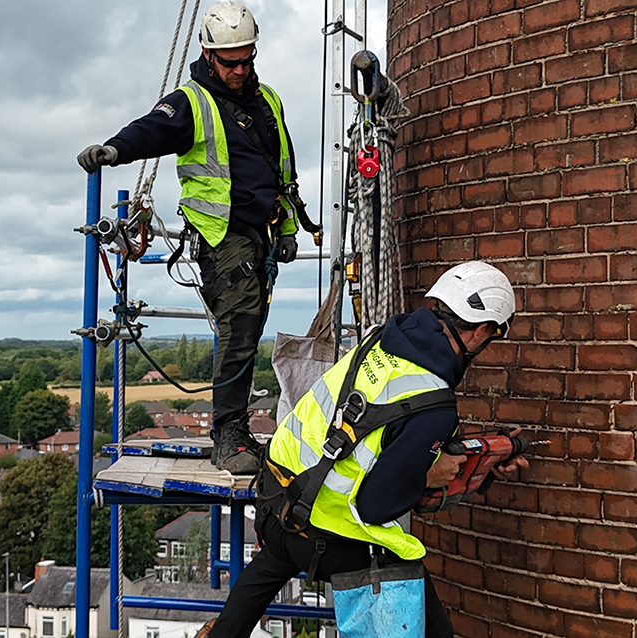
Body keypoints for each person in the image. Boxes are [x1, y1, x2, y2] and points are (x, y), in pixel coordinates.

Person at [200, 261, 531, 638]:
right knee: (424, 607)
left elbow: (381, 431)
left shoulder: (379, 339)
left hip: (275, 505)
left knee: (271, 564)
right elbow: (376, 506)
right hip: (327, 536)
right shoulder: (435, 405)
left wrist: (479, 468)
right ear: (482, 331)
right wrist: (428, 476)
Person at [78, 1, 315, 475]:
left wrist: (288, 228)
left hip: (263, 232)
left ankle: (235, 429)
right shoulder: (192, 102)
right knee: (240, 326)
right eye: (231, 62)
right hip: (221, 234)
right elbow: (152, 129)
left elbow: (283, 167)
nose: (241, 69)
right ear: (210, 57)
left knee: (250, 326)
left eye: (248, 58)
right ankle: (228, 435)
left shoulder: (267, 99)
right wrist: (114, 149)